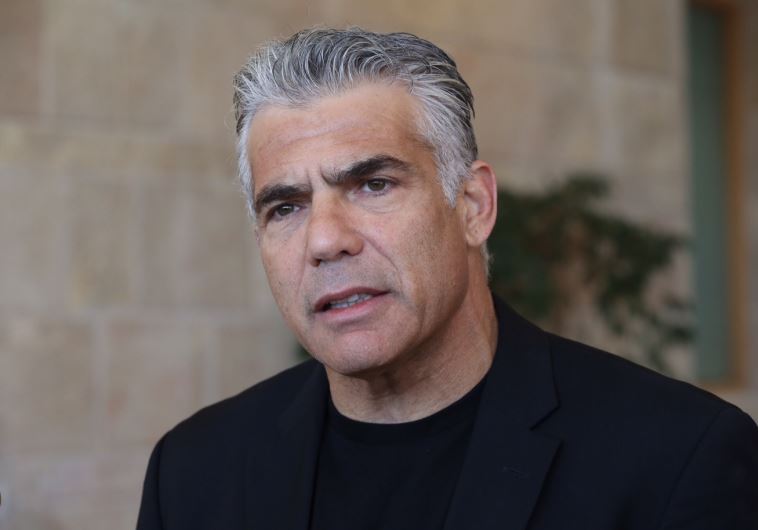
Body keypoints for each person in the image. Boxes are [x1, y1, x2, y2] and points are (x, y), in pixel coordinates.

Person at [137, 27, 758, 530]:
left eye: (373, 184)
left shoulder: (677, 457)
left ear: (473, 207)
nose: (325, 240)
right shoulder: (192, 472)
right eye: (286, 207)